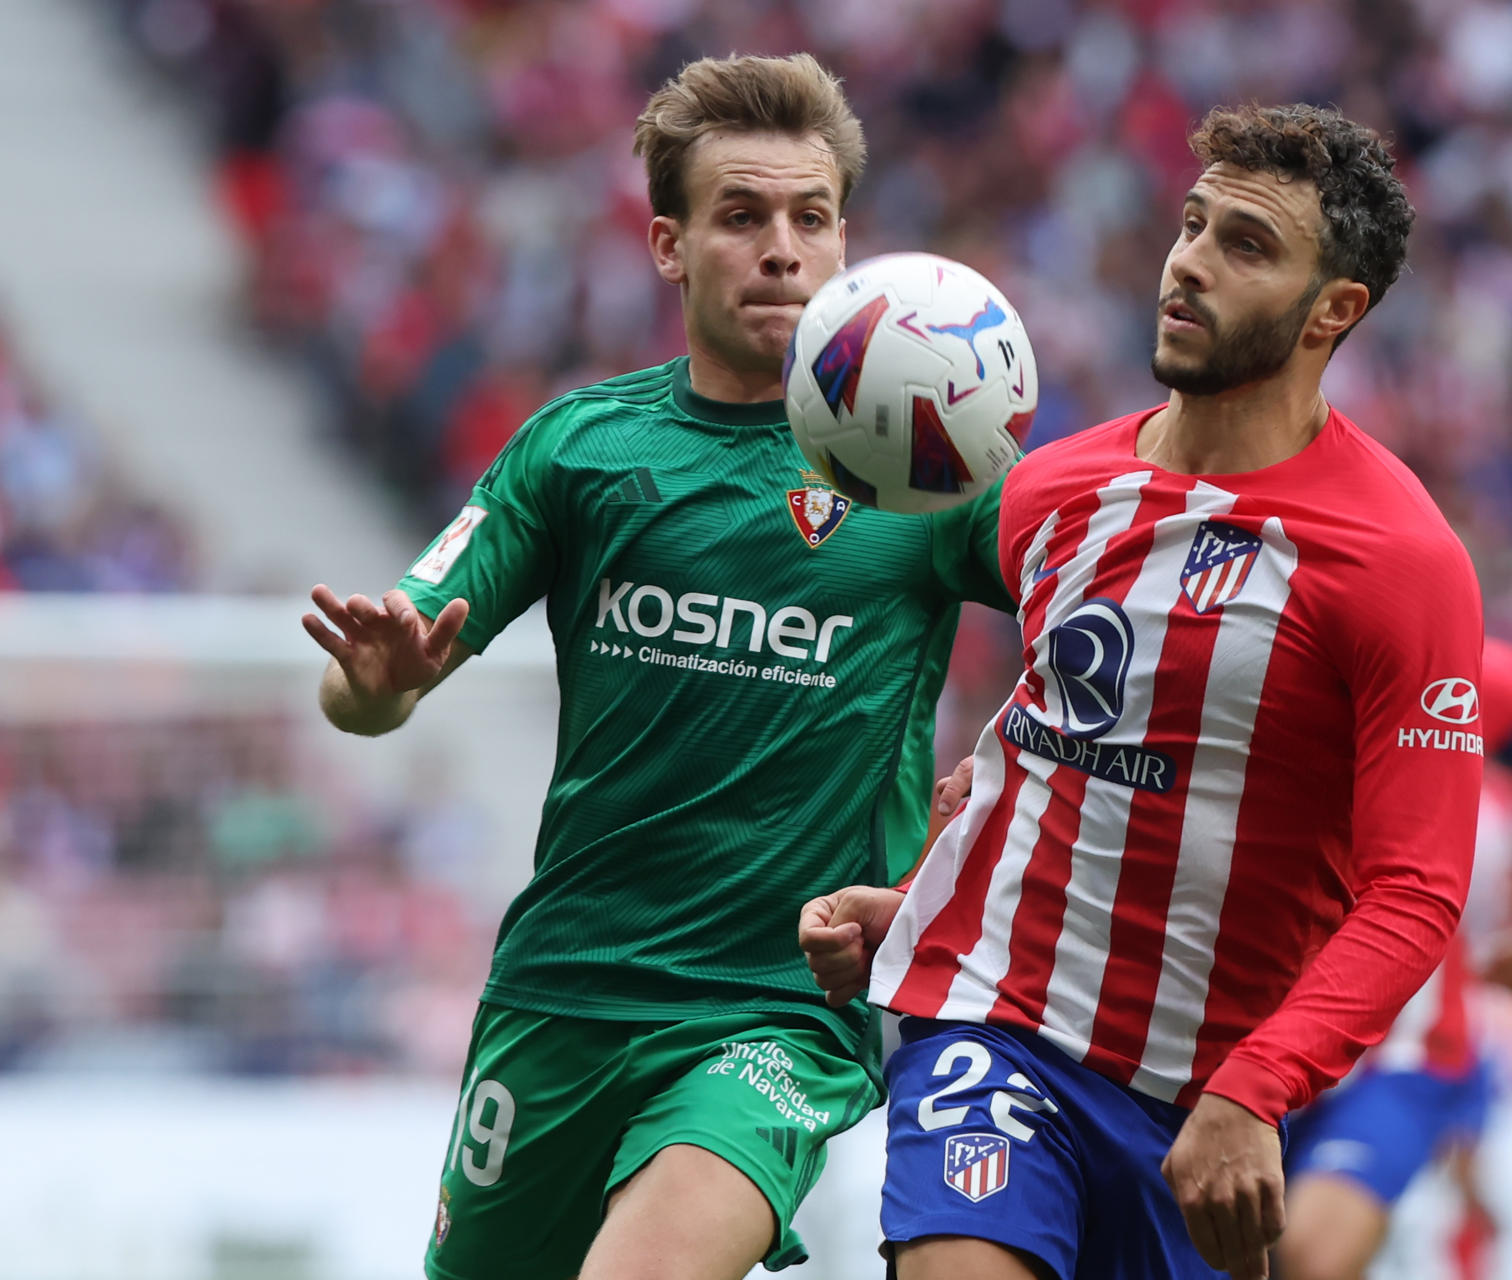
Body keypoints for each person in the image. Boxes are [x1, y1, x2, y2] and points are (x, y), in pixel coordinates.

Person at [301, 53, 1009, 1280]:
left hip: (776, 1005)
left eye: (811, 217)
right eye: (742, 218)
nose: (782, 249)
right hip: (565, 985)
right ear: (670, 246)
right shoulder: (584, 448)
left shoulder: (929, 475)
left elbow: (1099, 634)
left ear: (848, 237)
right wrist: (379, 674)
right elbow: (364, 691)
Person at [800, 103, 1483, 1280]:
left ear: (1335, 312)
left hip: (1203, 1110)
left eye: (1247, 246)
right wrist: (918, 894)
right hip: (994, 1024)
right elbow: (1049, 741)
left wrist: (1258, 1086)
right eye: (1193, 223)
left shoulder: (1398, 562)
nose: (1191, 263)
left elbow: (1417, 890)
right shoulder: (1054, 488)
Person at [1277, 637, 1512, 1280]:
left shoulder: (1465, 675)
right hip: (1246, 1043)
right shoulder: (1234, 658)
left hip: (1400, 1054)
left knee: (1311, 1256)